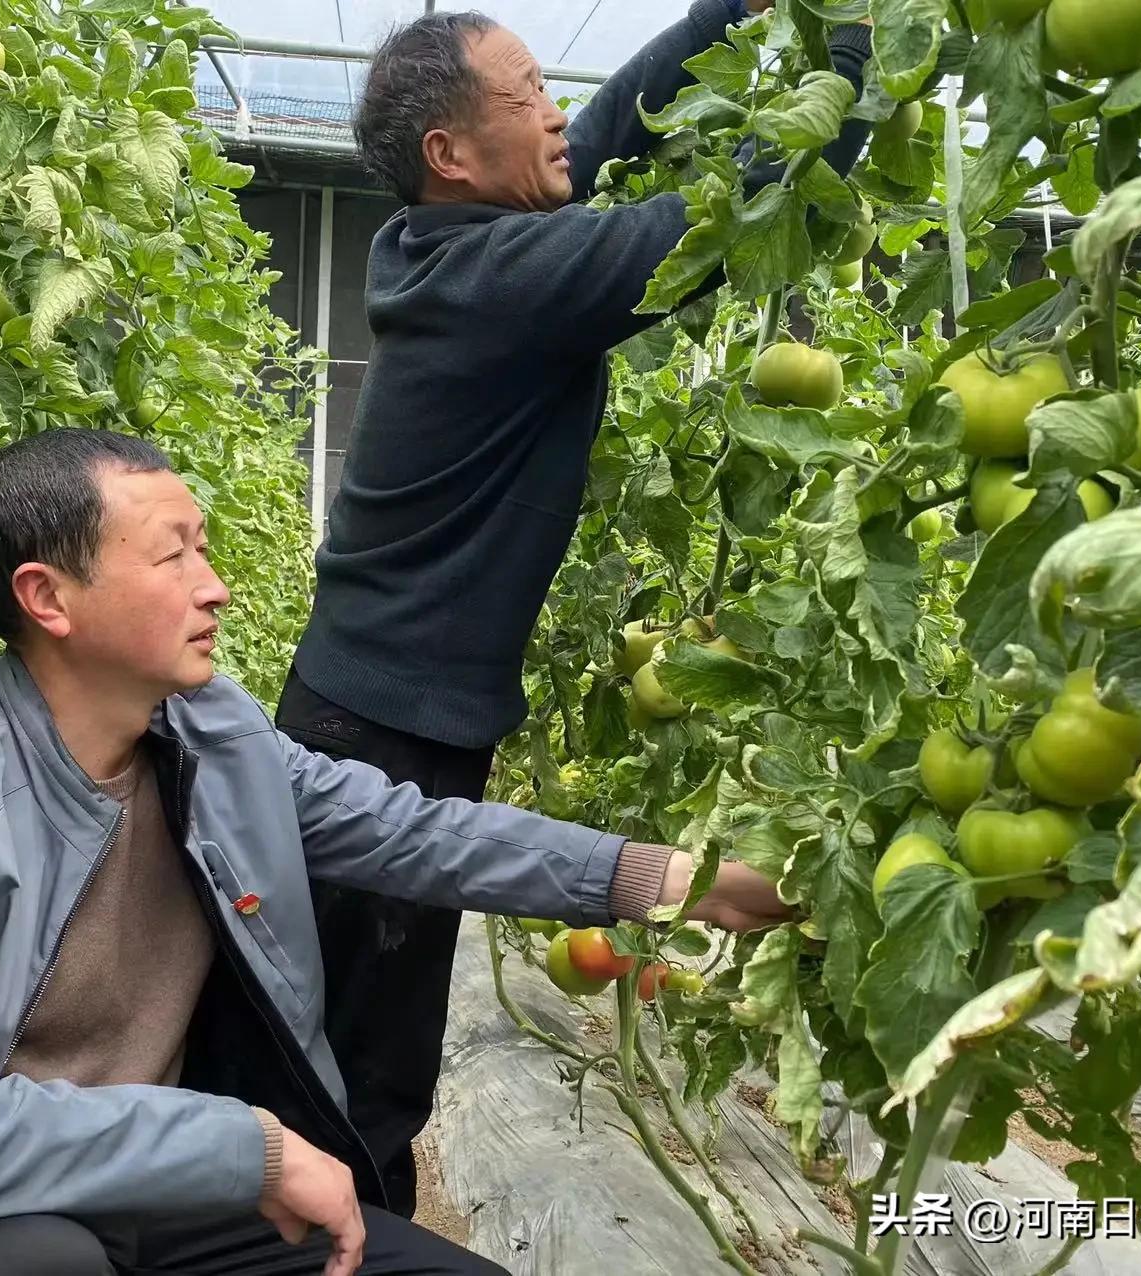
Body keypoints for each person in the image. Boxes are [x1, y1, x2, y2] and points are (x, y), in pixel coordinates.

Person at [0, 428, 790, 1276]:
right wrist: (243, 1147)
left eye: (206, 549)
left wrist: (674, 882)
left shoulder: (211, 733)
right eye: (174, 556)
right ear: (48, 598)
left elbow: (416, 831)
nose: (214, 586)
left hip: (154, 1190)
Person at [275, 0, 875, 1216]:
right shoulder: (511, 274)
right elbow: (740, 210)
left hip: (366, 698)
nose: (555, 112)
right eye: (523, 96)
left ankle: (328, 1219)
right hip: (382, 730)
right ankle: (344, 1238)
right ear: (453, 155)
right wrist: (855, 44)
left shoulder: (438, 242)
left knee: (343, 1033)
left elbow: (602, 130)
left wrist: (722, 12)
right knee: (366, 1065)